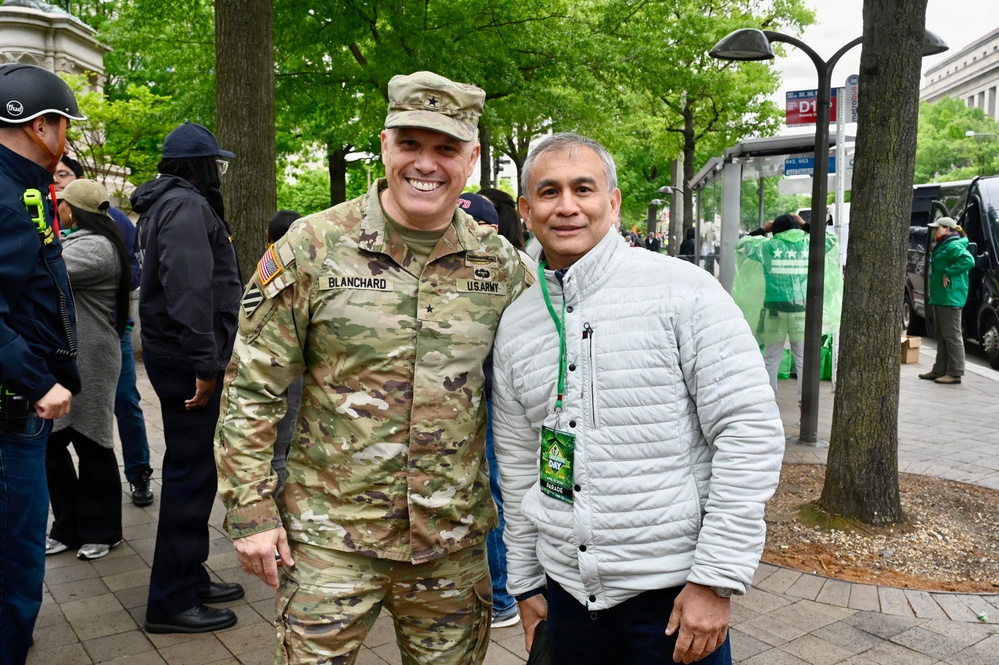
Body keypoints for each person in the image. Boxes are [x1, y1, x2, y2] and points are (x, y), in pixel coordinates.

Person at [215, 70, 531, 663]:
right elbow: (251, 389)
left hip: (451, 543)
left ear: (472, 159)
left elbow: (542, 387)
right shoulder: (312, 247)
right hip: (331, 540)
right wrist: (251, 511)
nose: (426, 164)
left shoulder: (501, 267)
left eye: (446, 149)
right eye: (410, 144)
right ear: (385, 146)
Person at [491, 132, 784, 665]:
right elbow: (516, 466)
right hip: (568, 598)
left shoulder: (684, 291)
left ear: (614, 201)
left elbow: (748, 429)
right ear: (528, 211)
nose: (568, 206)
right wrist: (526, 583)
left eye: (584, 188)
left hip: (673, 601)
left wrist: (716, 579)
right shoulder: (517, 323)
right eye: (550, 192)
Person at [133, 122, 244, 634]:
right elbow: (190, 291)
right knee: (190, 475)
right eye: (213, 163)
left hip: (176, 354)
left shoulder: (165, 205)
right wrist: (205, 364)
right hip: (187, 361)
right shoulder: (186, 207)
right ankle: (172, 600)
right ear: (197, 166)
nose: (218, 172)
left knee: (194, 469)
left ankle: (189, 575)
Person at [0, 62, 82, 665]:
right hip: (14, 410)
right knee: (16, 561)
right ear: (36, 124)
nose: (67, 139)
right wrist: (39, 381)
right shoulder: (6, 194)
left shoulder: (21, 185)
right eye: (63, 125)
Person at [54, 156, 154, 507]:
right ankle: (76, 521)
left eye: (64, 177)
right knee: (73, 428)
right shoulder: (61, 223)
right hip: (75, 343)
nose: (57, 182)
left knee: (122, 407)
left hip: (107, 336)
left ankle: (138, 475)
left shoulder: (108, 230)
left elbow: (130, 267)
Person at [45, 179, 129, 561]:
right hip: (69, 355)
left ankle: (103, 530)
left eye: (61, 202)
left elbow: (48, 271)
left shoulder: (98, 248)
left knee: (92, 442)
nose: (57, 206)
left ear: (72, 210)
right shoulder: (81, 240)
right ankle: (68, 526)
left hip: (93, 357)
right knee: (53, 443)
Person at [457, 192, 525, 630]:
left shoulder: (513, 272)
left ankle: (502, 597)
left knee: (496, 496)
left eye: (469, 226)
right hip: (465, 404)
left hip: (496, 403)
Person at [735, 214, 840, 403]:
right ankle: (804, 406)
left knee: (771, 359)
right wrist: (806, 224)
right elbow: (831, 239)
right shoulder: (809, 245)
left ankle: (768, 403)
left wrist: (762, 230)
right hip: (801, 313)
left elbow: (742, 245)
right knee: (803, 361)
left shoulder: (767, 247)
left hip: (774, 313)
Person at [265, 209, 304, 491]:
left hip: (278, 367)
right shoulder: (315, 267)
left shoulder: (268, 270)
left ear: (267, 236)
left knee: (278, 451)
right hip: (301, 369)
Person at [919, 217, 974, 385]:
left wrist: (948, 272)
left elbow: (968, 260)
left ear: (948, 230)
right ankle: (939, 370)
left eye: (938, 228)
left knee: (951, 335)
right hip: (942, 296)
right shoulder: (945, 245)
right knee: (941, 335)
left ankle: (955, 372)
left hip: (950, 297)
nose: (936, 231)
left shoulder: (953, 245)